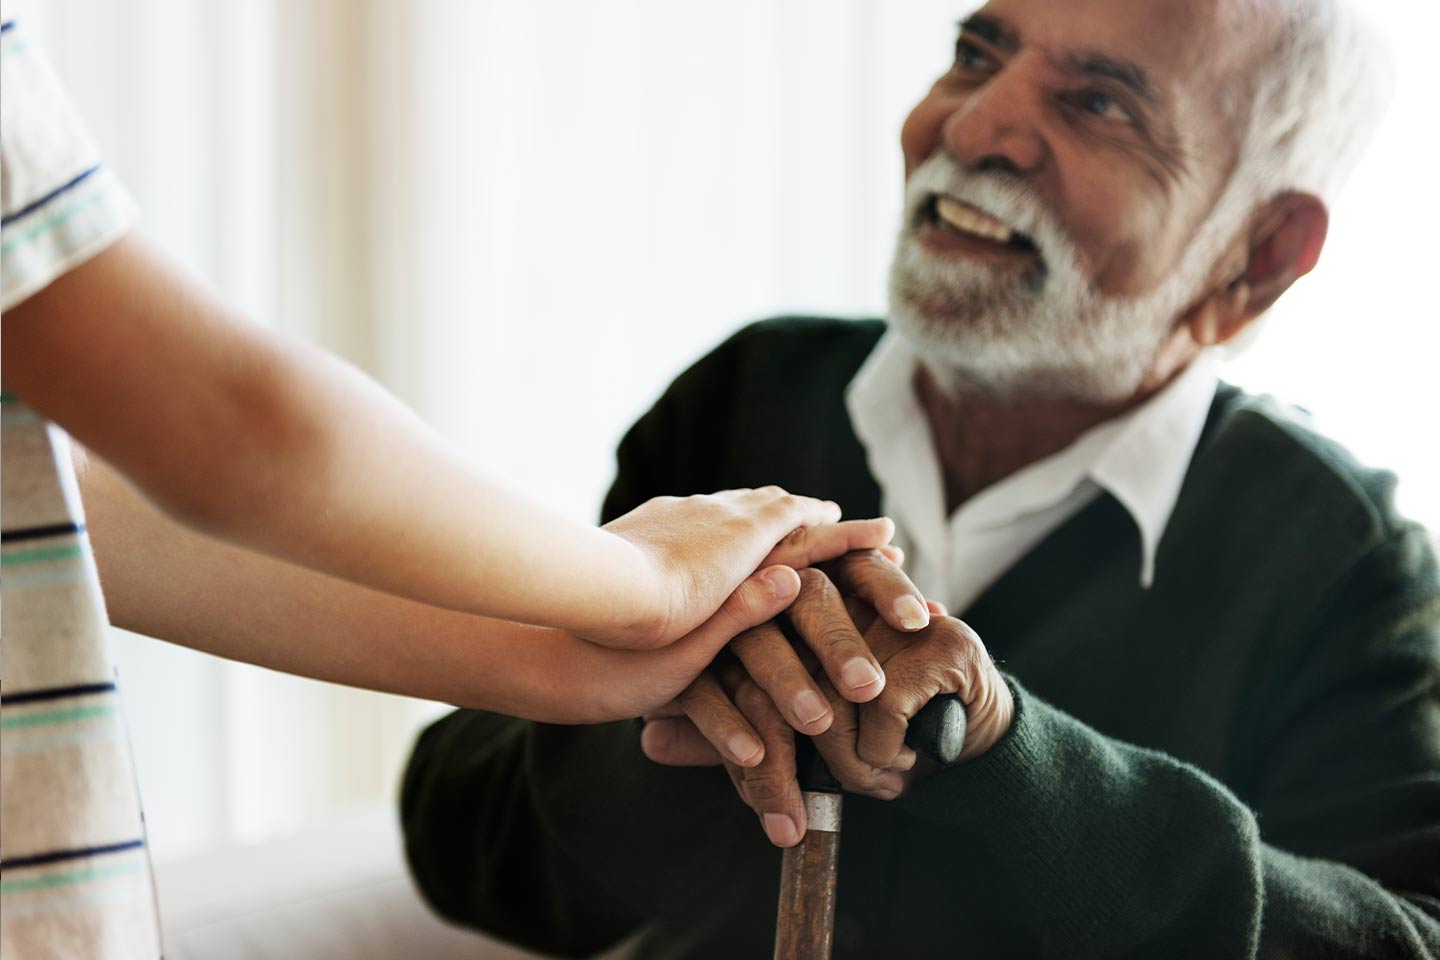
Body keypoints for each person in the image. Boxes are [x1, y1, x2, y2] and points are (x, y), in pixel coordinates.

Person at [400, 0, 1440, 956]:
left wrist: (1007, 755)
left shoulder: (1345, 561)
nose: (973, 127)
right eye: (975, 54)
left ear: (1259, 254)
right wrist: (672, 717)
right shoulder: (747, 394)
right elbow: (465, 846)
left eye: (1099, 103)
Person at [0, 12, 921, 958]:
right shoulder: (756, 387)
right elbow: (228, 428)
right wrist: (639, 583)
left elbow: (64, 497)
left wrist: (567, 658)